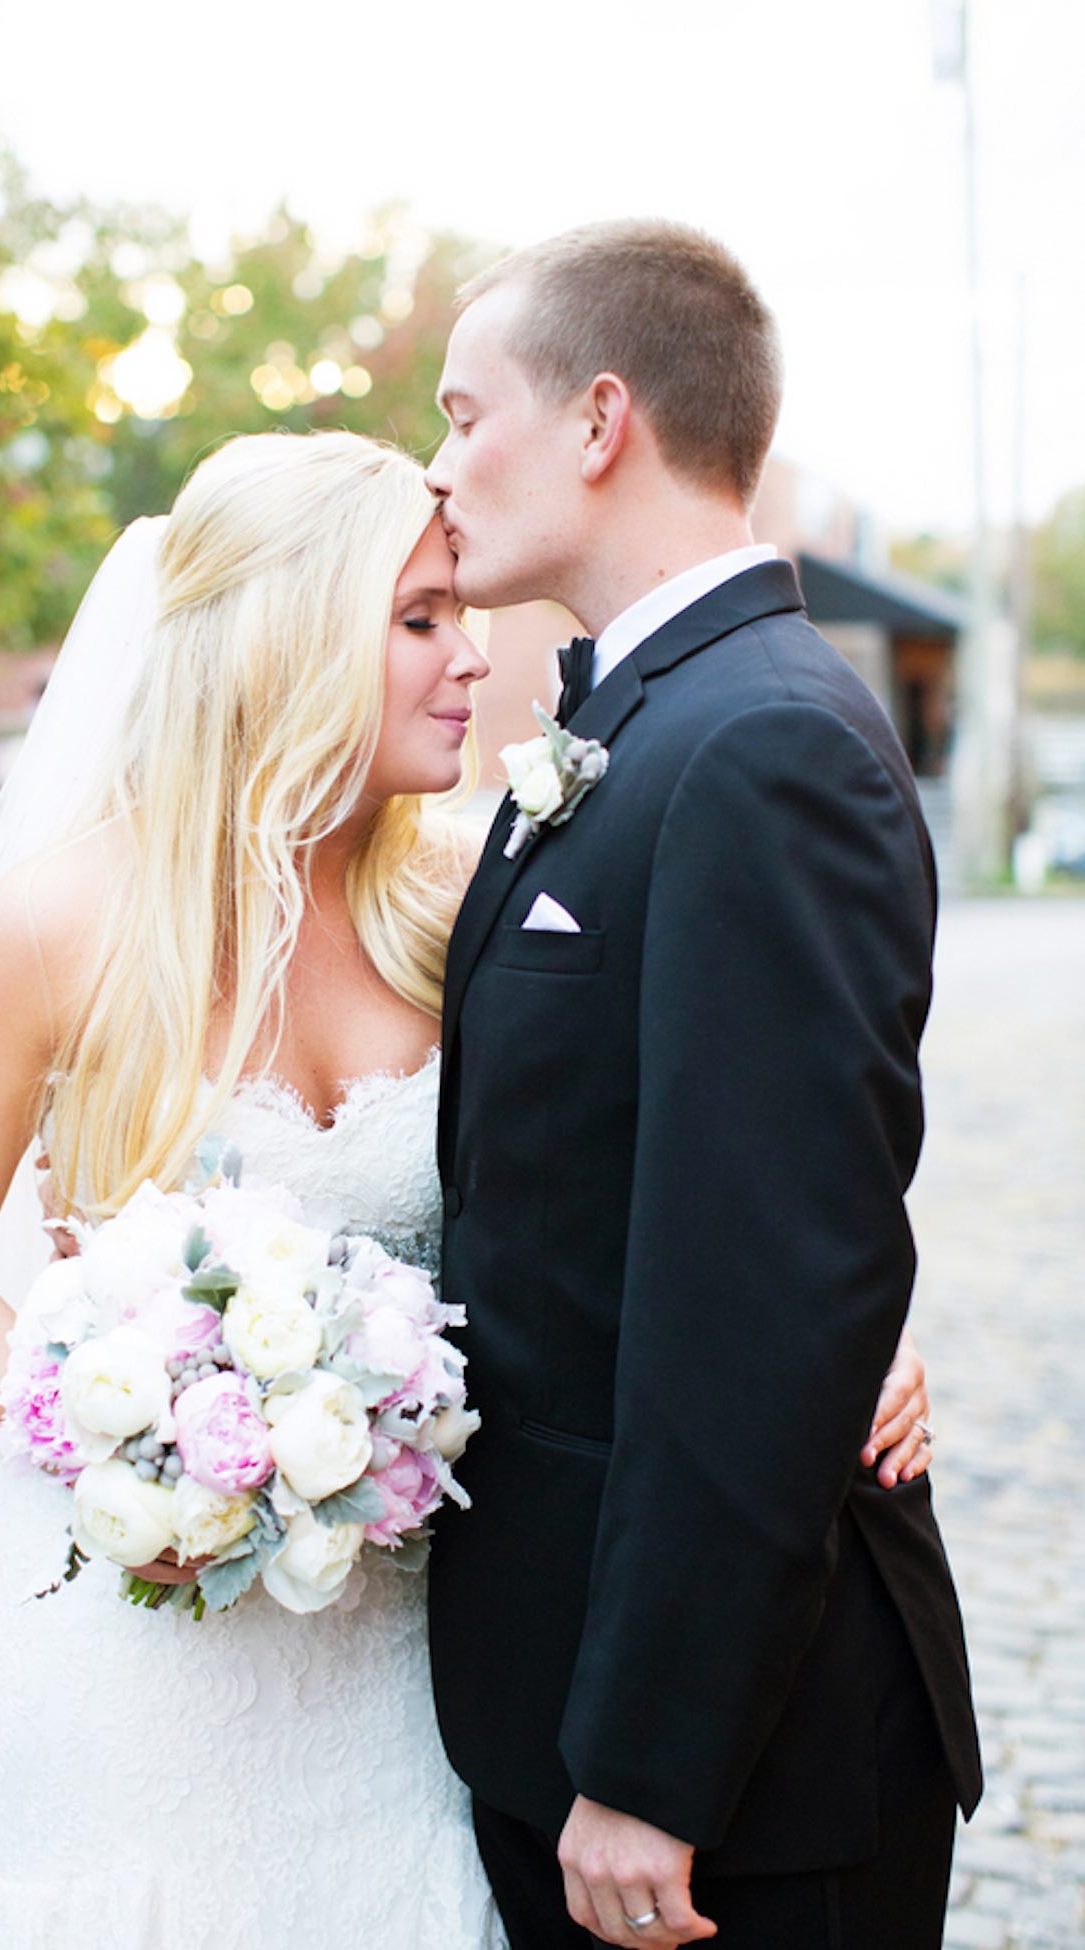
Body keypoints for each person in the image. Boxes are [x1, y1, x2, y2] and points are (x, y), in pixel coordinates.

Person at [0, 424, 935, 1950]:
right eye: (420, 621)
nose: (471, 660)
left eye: (460, 615)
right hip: (151, 1650)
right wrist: (124, 1441)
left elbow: (673, 1171)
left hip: (414, 1672)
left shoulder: (464, 899)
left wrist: (834, 1340)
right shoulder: (54, 927)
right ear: (284, 636)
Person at [424, 218, 982, 1950]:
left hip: (736, 1787)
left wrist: (651, 1764)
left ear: (600, 422)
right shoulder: (644, 724)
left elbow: (760, 1285)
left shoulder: (766, 743)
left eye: (462, 414)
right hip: (564, 1690)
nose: (438, 469)